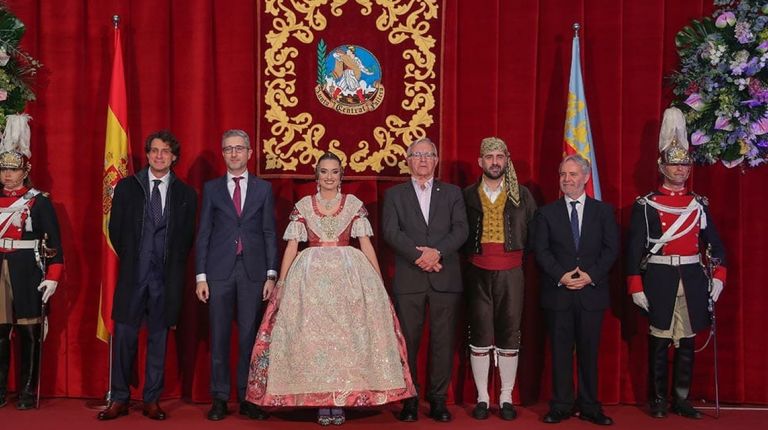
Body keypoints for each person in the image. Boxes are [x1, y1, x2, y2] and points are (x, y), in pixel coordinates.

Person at [246, 152, 416, 426]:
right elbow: (292, 246)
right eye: (324, 171)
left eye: (334, 171)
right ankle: (321, 402)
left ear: (341, 175)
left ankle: (342, 400)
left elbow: (365, 244)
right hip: (309, 278)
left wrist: (377, 281)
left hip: (349, 277)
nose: (328, 176)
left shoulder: (353, 205)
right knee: (313, 339)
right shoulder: (303, 205)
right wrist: (283, 281)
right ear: (316, 175)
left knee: (346, 340)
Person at [626, 107, 726, 420]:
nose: (681, 170)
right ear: (662, 165)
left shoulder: (699, 204)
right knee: (659, 341)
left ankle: (681, 399)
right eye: (675, 163)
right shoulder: (646, 205)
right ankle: (657, 400)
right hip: (660, 277)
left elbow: (716, 246)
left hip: (692, 278)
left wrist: (719, 278)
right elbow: (633, 250)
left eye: (684, 164)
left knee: (686, 341)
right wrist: (635, 285)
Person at [98, 130, 197, 420]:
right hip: (133, 275)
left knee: (158, 339)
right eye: (154, 150)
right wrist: (134, 257)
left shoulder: (186, 194)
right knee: (125, 337)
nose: (159, 155)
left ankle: (151, 399)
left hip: (165, 279)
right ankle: (119, 398)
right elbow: (115, 229)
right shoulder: (128, 187)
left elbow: (186, 238)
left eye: (165, 151)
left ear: (174, 156)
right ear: (148, 154)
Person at [382, 137, 468, 422]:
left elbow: (461, 230)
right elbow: (391, 232)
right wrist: (419, 256)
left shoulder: (453, 192)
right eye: (417, 154)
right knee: (408, 342)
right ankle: (409, 399)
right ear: (407, 160)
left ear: (436, 160)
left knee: (443, 342)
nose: (422, 160)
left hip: (445, 276)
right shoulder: (395, 194)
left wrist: (437, 253)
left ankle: (438, 400)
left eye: (428, 155)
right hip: (410, 278)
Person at [195, 129, 277, 421]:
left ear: (249, 153)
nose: (234, 153)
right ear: (223, 153)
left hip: (253, 273)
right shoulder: (212, 189)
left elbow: (269, 232)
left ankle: (247, 397)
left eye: (239, 148)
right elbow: (203, 233)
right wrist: (200, 276)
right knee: (218, 337)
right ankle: (219, 397)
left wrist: (271, 275)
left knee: (248, 338)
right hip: (218, 272)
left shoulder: (263, 189)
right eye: (228, 148)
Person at [533, 154, 618, 426]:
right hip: (559, 294)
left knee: (589, 353)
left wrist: (590, 276)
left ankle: (591, 405)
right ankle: (561, 405)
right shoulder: (546, 213)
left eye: (572, 175)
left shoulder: (603, 211)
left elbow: (611, 249)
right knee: (559, 353)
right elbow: (541, 251)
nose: (567, 180)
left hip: (591, 294)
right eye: (563, 175)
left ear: (585, 177)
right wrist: (562, 275)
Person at [462, 137, 536, 420]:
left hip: (511, 272)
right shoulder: (467, 195)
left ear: (507, 160)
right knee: (479, 333)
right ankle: (482, 397)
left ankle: (505, 396)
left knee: (509, 333)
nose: (495, 162)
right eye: (489, 157)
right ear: (480, 161)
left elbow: (534, 234)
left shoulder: (523, 196)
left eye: (500, 157)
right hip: (477, 272)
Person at [0, 114, 63, 410]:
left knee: (28, 330)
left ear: (25, 171)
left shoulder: (39, 201)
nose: (8, 175)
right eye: (4, 169)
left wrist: (53, 276)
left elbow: (54, 245)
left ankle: (27, 390)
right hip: (0, 267)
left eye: (14, 170)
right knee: (0, 331)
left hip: (26, 267)